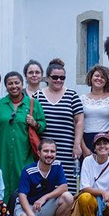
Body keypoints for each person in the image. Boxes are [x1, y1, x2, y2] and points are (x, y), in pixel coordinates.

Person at [0, 71, 46, 196]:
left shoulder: (33, 103)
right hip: (1, 154)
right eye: (10, 84)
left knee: (22, 185)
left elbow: (42, 126)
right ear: (6, 86)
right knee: (0, 184)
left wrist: (35, 123)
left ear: (22, 84)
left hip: (23, 154)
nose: (14, 86)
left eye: (17, 83)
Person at [34, 59, 84, 193]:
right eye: (55, 77)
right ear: (47, 78)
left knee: (68, 187)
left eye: (62, 78)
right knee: (44, 184)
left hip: (67, 149)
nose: (58, 80)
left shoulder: (72, 95)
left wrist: (77, 144)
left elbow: (79, 121)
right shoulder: (37, 96)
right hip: (45, 150)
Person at [14, 139, 74, 216]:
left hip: (43, 205)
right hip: (27, 206)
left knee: (68, 197)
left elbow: (64, 187)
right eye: (46, 151)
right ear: (39, 153)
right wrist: (31, 215)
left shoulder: (57, 165)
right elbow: (22, 196)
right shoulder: (28, 171)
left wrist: (45, 197)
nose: (49, 155)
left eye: (52, 151)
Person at [81, 65, 109, 159]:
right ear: (91, 77)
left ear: (106, 81)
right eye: (97, 76)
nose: (99, 79)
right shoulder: (81, 99)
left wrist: (105, 144)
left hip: (106, 140)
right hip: (86, 140)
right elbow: (78, 125)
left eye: (102, 77)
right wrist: (84, 148)